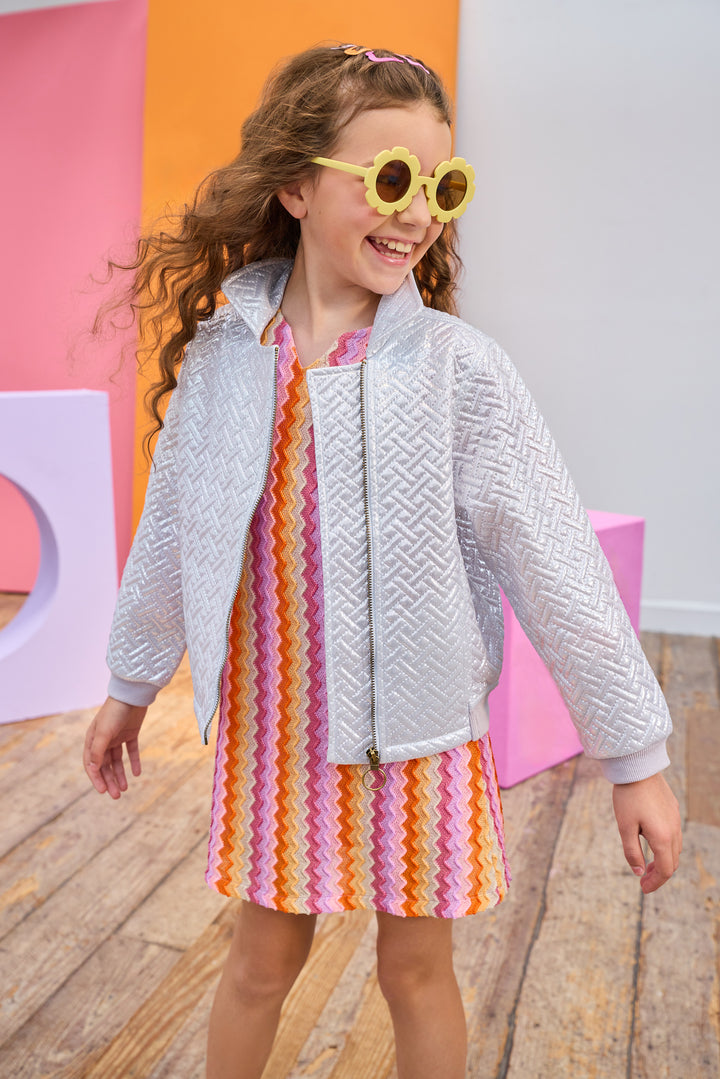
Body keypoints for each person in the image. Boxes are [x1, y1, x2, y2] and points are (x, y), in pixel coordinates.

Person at [83, 44, 682, 1079]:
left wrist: (635, 756)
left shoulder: (457, 372)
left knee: (415, 969)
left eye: (441, 186)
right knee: (260, 957)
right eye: (390, 180)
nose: (417, 215)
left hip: (417, 734)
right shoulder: (234, 353)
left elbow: (556, 560)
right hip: (275, 731)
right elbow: (173, 527)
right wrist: (130, 684)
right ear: (297, 185)